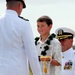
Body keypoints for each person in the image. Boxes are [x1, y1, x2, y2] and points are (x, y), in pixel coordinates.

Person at [0, 0, 42, 75]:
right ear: (19, 6)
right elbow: (32, 54)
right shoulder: (23, 24)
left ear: (6, 5)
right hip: (17, 71)